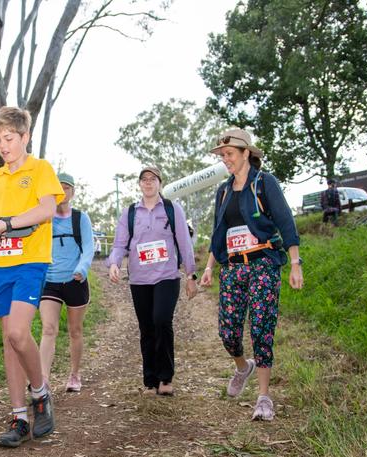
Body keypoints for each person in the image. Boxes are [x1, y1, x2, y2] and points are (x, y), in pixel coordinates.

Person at [0, 107, 64, 448]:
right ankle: (19, 416)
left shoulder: (40, 169)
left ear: (25, 137)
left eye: (10, 139)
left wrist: (6, 224)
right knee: (9, 340)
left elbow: (47, 209)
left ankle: (40, 392)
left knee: (20, 333)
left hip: (31, 261)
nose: (3, 146)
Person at [200, 128, 304, 421]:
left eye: (229, 154)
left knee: (261, 328)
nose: (225, 160)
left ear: (246, 153)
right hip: (233, 268)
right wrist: (209, 267)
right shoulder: (222, 191)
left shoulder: (264, 183)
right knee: (228, 331)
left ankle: (263, 397)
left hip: (262, 264)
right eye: (222, 156)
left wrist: (295, 263)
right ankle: (242, 367)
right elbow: (218, 233)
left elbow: (285, 221)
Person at [107, 166, 198, 397]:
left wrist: (190, 275)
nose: (148, 183)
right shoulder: (130, 213)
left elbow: (185, 243)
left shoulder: (171, 209)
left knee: (161, 320)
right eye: (144, 180)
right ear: (139, 184)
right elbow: (120, 244)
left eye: (153, 179)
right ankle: (150, 381)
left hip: (166, 276)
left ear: (160, 183)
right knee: (146, 328)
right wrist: (115, 263)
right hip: (139, 279)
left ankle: (165, 377)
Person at [39, 172, 94, 393]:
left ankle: (74, 374)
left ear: (72, 192)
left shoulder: (80, 218)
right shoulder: (44, 217)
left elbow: (88, 248)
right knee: (48, 329)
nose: (62, 191)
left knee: (75, 331)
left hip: (75, 281)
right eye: (58, 187)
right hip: (49, 281)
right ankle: (43, 380)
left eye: (67, 187)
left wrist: (82, 269)